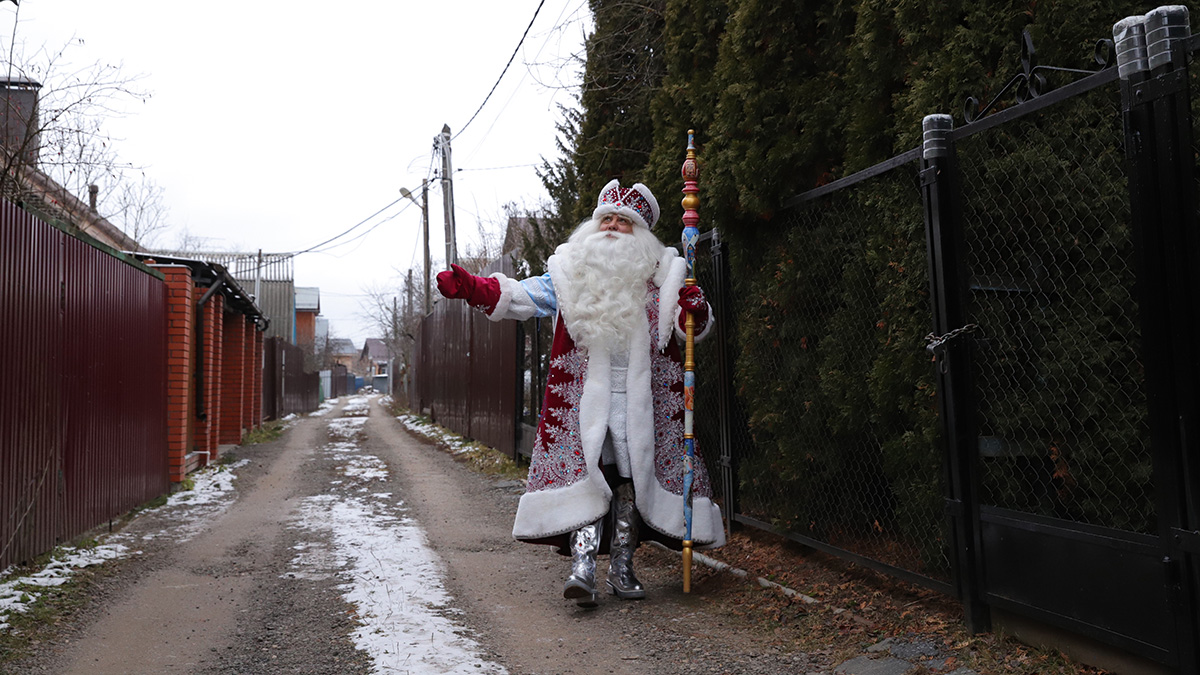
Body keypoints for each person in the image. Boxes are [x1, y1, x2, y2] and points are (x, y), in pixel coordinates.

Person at [436, 179, 725, 606]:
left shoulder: (664, 278)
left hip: (644, 402)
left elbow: (693, 328)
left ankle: (623, 568)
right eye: (605, 218)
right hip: (582, 401)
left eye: (622, 222)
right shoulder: (570, 274)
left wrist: (698, 308)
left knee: (630, 481)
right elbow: (521, 296)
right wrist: (472, 287)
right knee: (592, 474)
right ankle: (583, 566)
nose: (611, 227)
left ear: (640, 233)